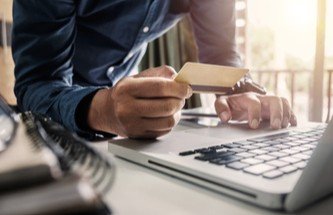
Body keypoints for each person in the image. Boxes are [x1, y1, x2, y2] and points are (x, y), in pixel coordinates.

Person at [12, 0, 297, 140]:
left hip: (126, 127)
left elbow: (221, 52)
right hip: (52, 128)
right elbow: (36, 83)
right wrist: (103, 110)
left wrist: (241, 88)